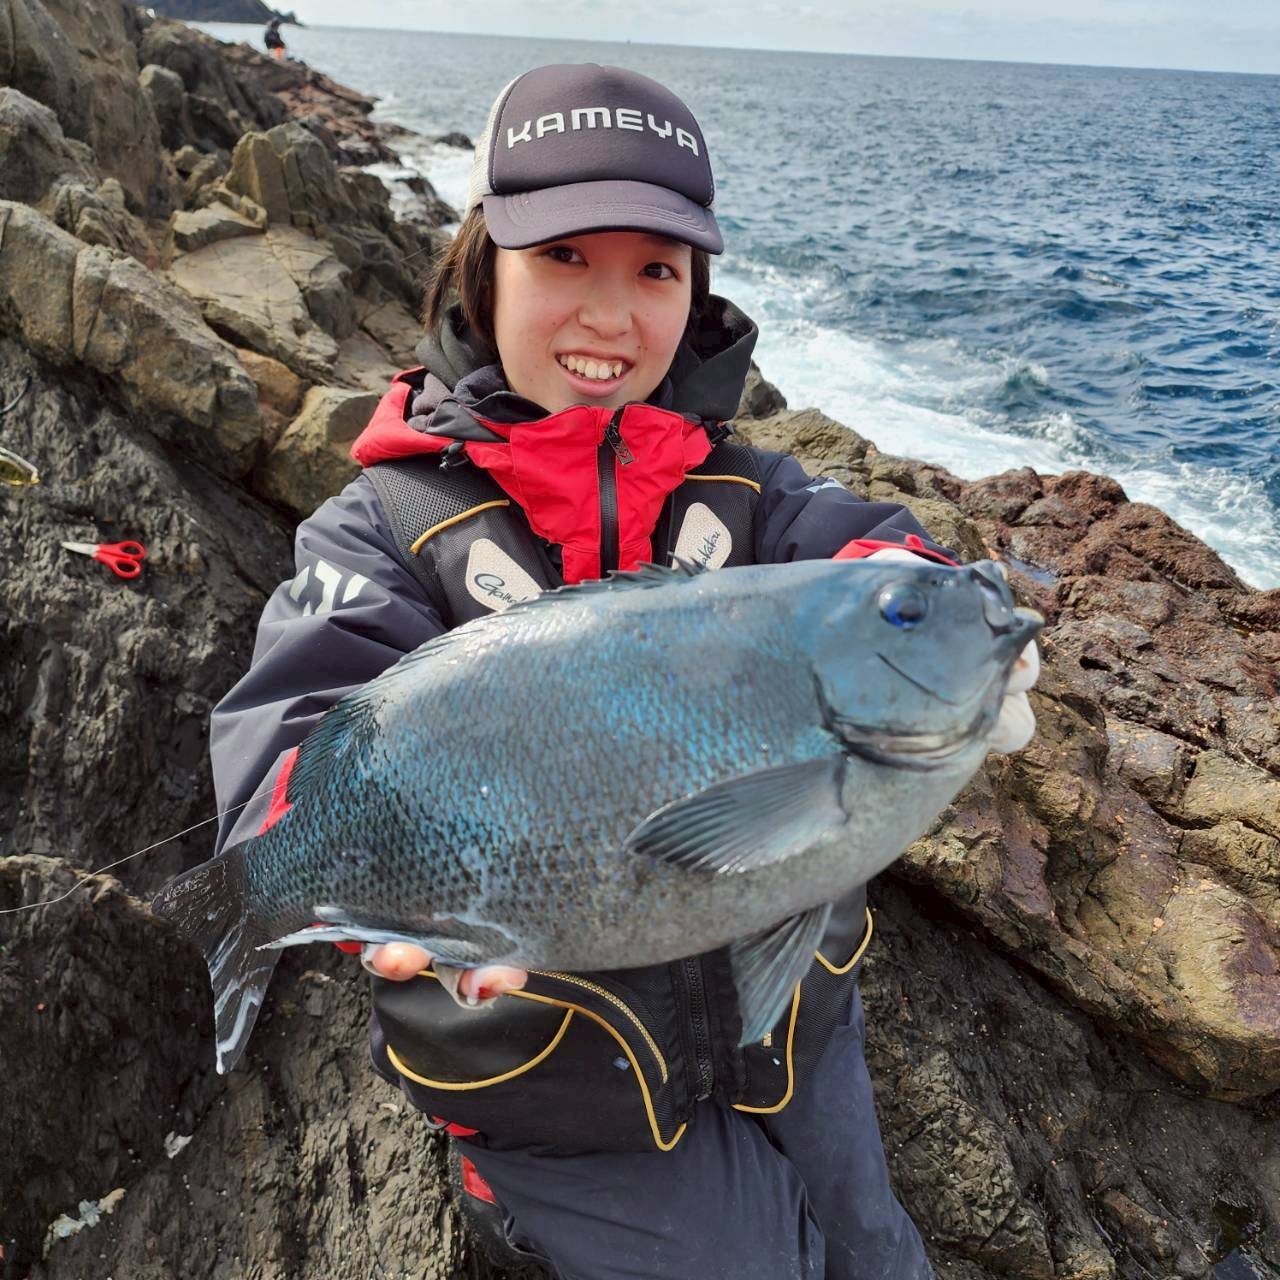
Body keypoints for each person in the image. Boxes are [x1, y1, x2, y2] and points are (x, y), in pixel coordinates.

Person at [209, 62, 1038, 1280]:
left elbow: (875, 554)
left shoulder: (753, 497)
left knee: (878, 1254)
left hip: (793, 1033)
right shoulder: (380, 527)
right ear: (479, 264)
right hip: (549, 1074)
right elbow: (286, 749)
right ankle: (497, 1187)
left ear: (697, 291)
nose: (609, 313)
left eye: (654, 269)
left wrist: (957, 610)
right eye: (562, 260)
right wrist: (338, 892)